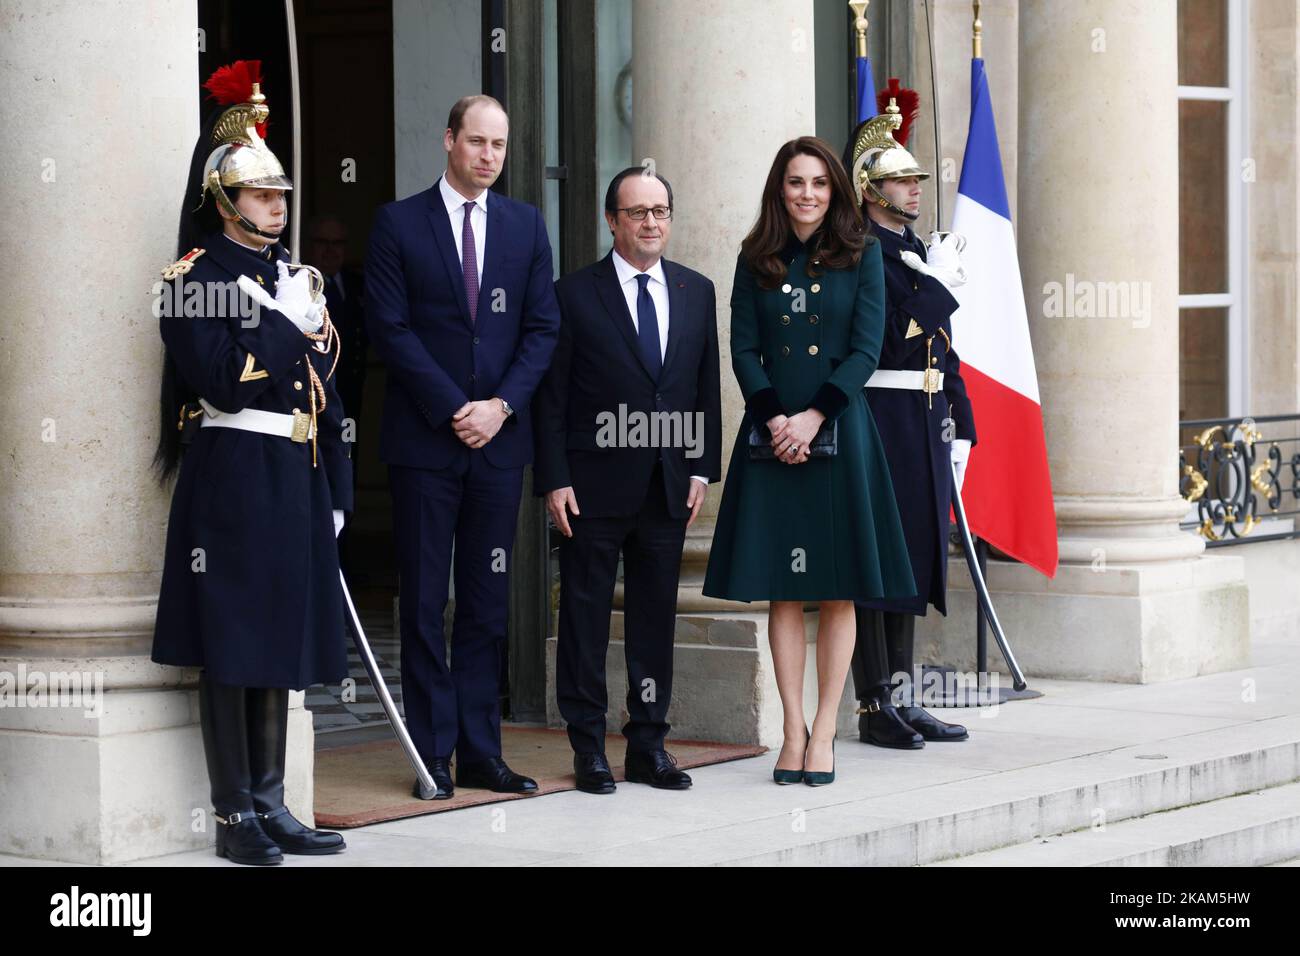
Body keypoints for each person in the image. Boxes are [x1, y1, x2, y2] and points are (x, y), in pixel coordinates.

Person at [151, 60, 350, 864]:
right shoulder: (194, 282)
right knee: (235, 643)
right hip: (231, 472)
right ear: (225, 203)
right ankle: (233, 816)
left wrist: (335, 487)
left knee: (281, 639)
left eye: (280, 197)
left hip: (292, 475)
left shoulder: (292, 277)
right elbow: (221, 376)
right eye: (263, 196)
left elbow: (325, 388)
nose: (276, 208)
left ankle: (273, 803)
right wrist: (284, 324)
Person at [702, 136, 915, 786]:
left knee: (837, 589)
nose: (807, 194)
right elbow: (741, 348)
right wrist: (774, 419)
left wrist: (814, 415)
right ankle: (791, 729)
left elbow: (864, 350)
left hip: (839, 433)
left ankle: (825, 731)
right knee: (785, 592)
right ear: (780, 188)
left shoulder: (863, 254)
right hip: (772, 438)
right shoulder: (755, 256)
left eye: (819, 184)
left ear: (836, 191)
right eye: (796, 182)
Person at [365, 94, 561, 799]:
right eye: (476, 141)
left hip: (499, 447)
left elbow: (542, 330)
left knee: (486, 602)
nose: (488, 156)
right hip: (425, 445)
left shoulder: (526, 225)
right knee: (422, 602)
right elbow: (389, 329)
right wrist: (456, 408)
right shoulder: (397, 223)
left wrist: (500, 407)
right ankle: (432, 757)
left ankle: (482, 752)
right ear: (449, 140)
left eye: (499, 146)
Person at [533, 167, 722, 794]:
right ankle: (588, 747)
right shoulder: (572, 294)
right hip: (591, 486)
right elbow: (551, 399)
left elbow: (703, 387)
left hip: (668, 484)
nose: (650, 223)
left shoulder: (697, 291)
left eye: (660, 211)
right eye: (637, 212)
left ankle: (648, 744)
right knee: (585, 616)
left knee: (653, 619)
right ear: (612, 220)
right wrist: (555, 479)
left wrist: (700, 465)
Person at [843, 90, 975, 748]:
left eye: (917, 178)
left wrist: (964, 418)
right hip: (882, 414)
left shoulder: (916, 251)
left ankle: (903, 692)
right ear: (870, 188)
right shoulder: (865, 253)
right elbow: (895, 335)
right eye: (900, 178)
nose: (914, 187)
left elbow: (941, 349)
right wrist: (939, 287)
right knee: (880, 560)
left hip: (923, 416)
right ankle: (873, 706)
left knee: (916, 556)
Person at [308, 214, 368, 576]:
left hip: (351, 403)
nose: (331, 252)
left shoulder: (357, 285)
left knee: (346, 476)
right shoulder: (302, 286)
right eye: (323, 243)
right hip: (315, 404)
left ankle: (343, 562)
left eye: (339, 245)